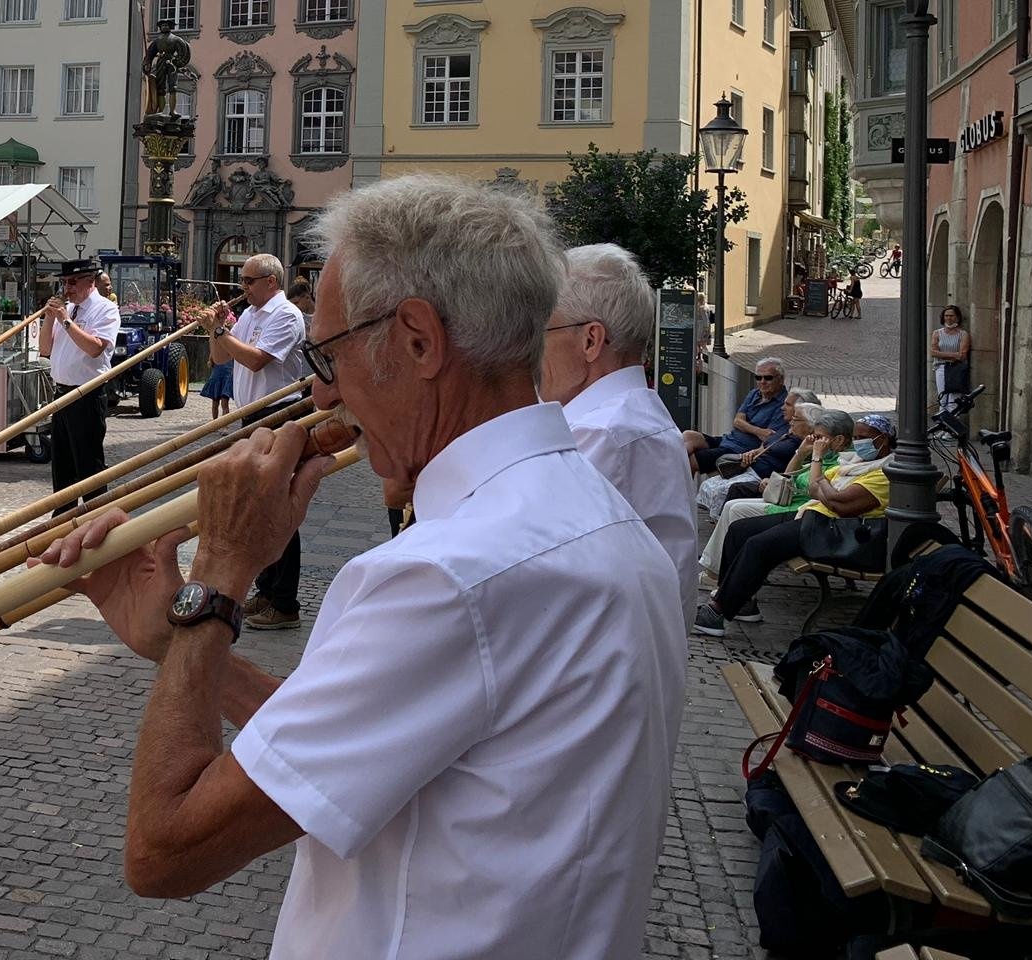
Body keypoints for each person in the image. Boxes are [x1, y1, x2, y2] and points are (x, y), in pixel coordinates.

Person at [40, 175, 683, 956]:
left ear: (418, 340)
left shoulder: (445, 576)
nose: (319, 389)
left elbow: (166, 852)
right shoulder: (603, 517)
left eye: (329, 353)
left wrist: (217, 580)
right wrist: (176, 641)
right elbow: (383, 727)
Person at [540, 244, 699, 624]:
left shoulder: (601, 432)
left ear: (591, 340)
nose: (529, 350)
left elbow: (532, 572)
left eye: (540, 330)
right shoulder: (628, 416)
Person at [694, 406, 888, 636]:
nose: (857, 443)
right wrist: (821, 480)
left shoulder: (882, 473)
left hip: (832, 531)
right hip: (814, 516)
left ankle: (717, 611)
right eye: (856, 438)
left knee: (758, 545)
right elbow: (818, 489)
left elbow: (837, 502)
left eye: (862, 438)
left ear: (883, 440)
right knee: (739, 530)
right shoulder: (854, 464)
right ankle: (740, 601)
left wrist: (819, 469)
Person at [209, 253, 308, 630]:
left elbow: (256, 361)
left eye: (249, 280)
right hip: (251, 415)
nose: (242, 286)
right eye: (241, 280)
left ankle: (285, 602)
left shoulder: (285, 315)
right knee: (256, 506)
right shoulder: (251, 314)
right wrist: (217, 328)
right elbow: (221, 359)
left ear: (271, 282)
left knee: (278, 507)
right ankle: (267, 589)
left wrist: (223, 333)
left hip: (278, 415)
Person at [38, 256, 120, 500]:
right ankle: (63, 520)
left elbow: (95, 348)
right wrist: (50, 318)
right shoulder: (69, 309)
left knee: (89, 466)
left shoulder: (105, 308)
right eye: (64, 283)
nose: (67, 289)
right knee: (62, 467)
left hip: (87, 394)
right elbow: (45, 349)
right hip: (61, 394)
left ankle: (95, 519)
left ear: (90, 281)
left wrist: (65, 320)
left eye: (72, 282)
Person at [693, 387, 818, 519]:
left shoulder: (806, 438)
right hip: (751, 466)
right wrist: (752, 453)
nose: (782, 408)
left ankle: (722, 523)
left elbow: (793, 471)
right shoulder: (784, 427)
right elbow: (763, 445)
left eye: (787, 404)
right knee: (709, 485)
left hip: (764, 475)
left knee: (725, 490)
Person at [680, 356, 787, 473]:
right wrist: (757, 431)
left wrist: (745, 426)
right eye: (758, 377)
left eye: (768, 378)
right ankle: (673, 463)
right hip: (728, 440)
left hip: (740, 450)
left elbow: (768, 437)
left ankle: (676, 479)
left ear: (780, 379)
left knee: (691, 461)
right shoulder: (755, 394)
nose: (762, 382)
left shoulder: (783, 404)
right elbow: (737, 421)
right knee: (688, 435)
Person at [932, 304, 971, 414]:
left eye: (952, 316)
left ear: (957, 317)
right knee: (943, 398)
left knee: (954, 399)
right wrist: (954, 355)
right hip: (941, 367)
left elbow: (962, 355)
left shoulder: (963, 334)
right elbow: (933, 352)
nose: (949, 318)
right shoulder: (937, 333)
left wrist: (942, 354)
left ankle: (952, 426)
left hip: (956, 368)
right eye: (946, 316)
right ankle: (943, 425)